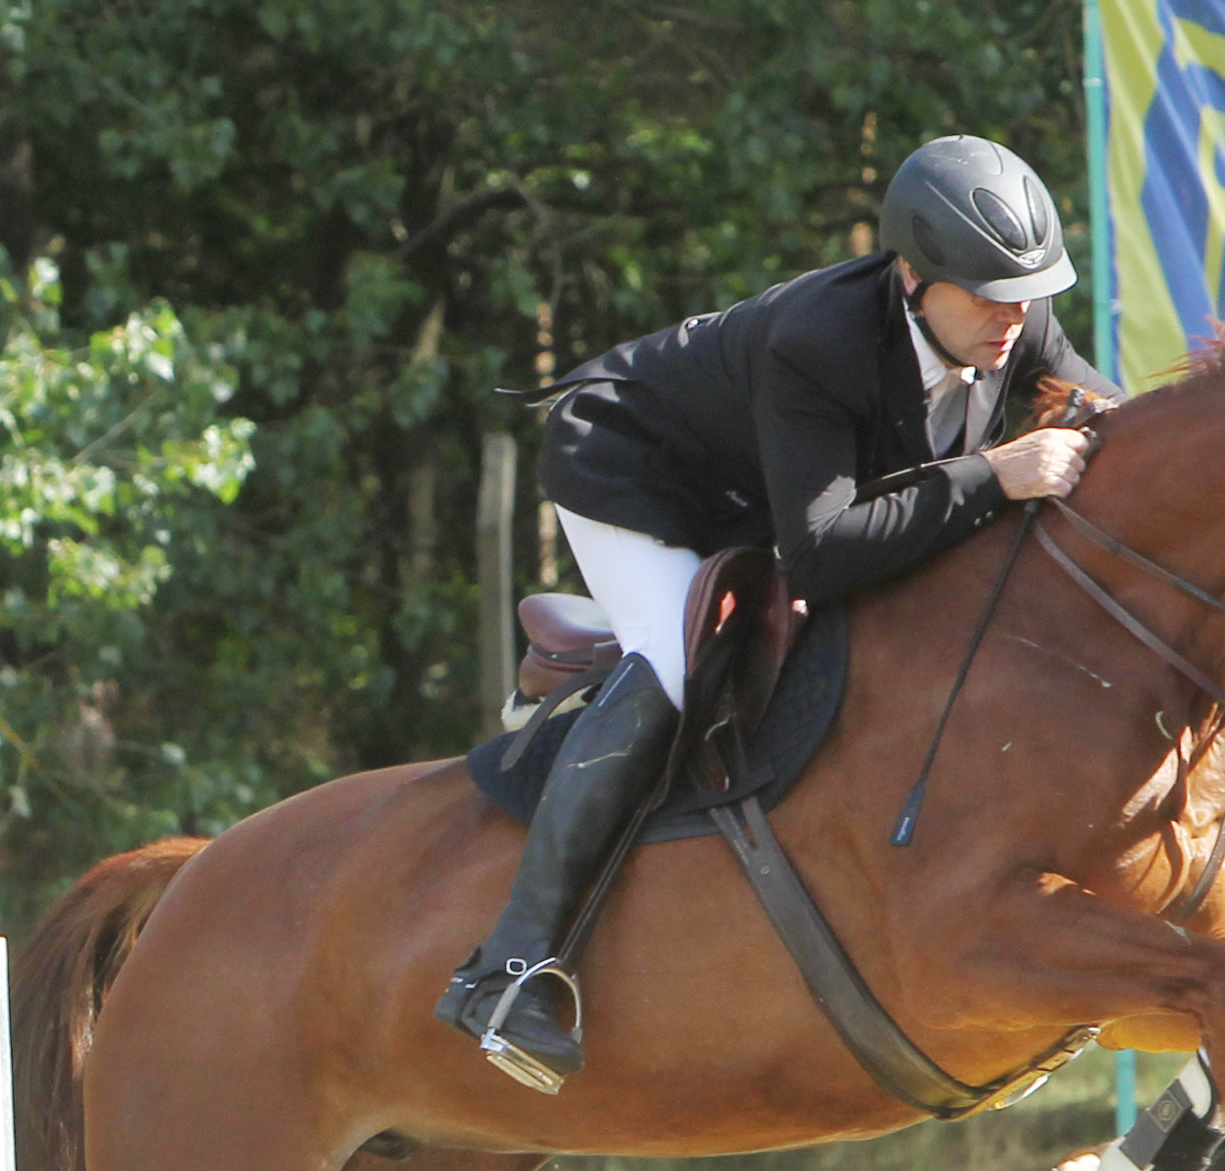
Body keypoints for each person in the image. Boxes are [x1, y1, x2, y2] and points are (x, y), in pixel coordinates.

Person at [436, 133, 1121, 1093]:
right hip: (633, 468)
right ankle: (509, 968)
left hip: (758, 492)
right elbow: (824, 551)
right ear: (913, 276)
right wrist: (991, 476)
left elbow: (1114, 422)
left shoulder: (1017, 319)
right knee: (680, 667)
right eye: (987, 294)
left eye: (1027, 293)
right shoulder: (821, 340)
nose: (1013, 316)